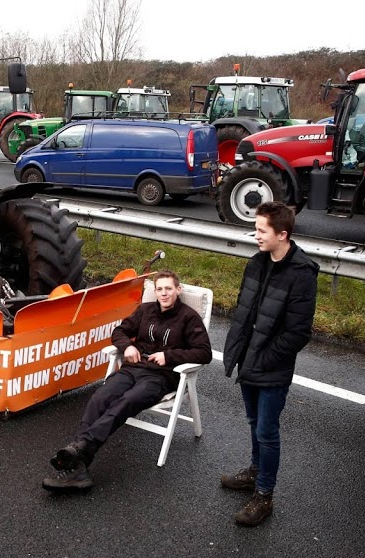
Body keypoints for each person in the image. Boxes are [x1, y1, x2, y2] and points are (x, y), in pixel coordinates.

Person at [43, 270, 213, 491]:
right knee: (100, 398)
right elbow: (119, 331)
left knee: (125, 402)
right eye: (159, 289)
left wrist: (169, 356)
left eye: (168, 289)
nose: (163, 293)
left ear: (177, 290)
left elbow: (204, 352)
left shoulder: (189, 318)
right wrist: (128, 346)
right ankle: (79, 465)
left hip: (159, 377)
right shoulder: (145, 310)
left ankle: (81, 448)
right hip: (132, 369)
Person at [221, 201, 318, 527]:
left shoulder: (301, 274)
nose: (256, 235)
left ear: (282, 234)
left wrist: (263, 358)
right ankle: (254, 471)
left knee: (267, 430)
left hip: (270, 367)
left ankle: (264, 495)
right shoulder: (257, 262)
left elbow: (299, 332)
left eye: (262, 230)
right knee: (253, 422)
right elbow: (244, 309)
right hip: (249, 361)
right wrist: (240, 353)